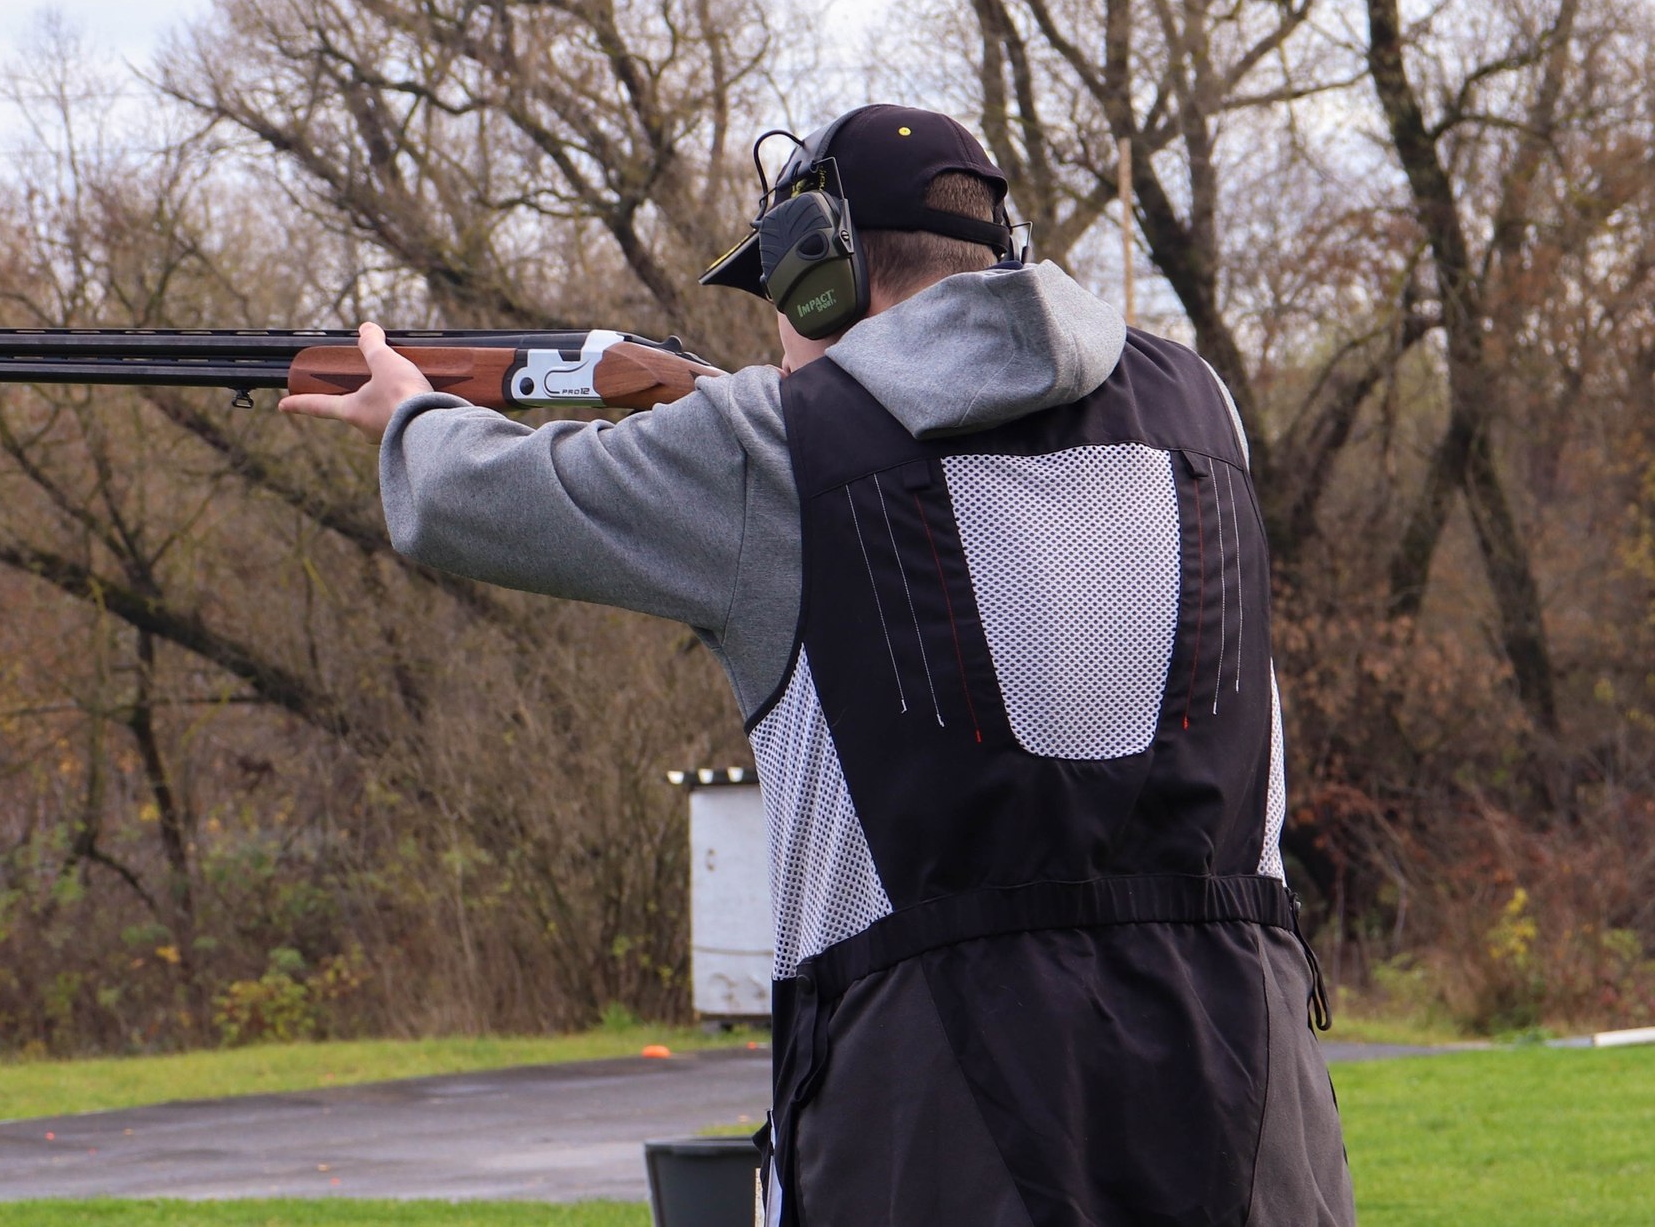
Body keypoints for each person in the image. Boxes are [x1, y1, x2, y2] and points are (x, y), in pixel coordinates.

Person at [281, 104, 1354, 1227]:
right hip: (1252, 1112)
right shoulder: (1207, 411)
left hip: (933, 1126)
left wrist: (409, 416)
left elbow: (471, 501)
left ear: (821, 282)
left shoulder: (776, 443)